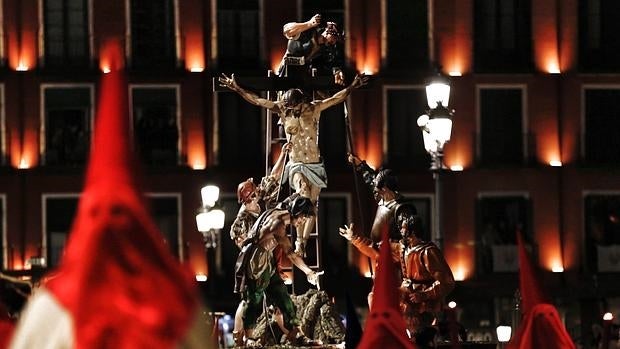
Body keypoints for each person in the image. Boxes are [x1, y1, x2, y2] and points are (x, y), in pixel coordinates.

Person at [219, 73, 369, 256]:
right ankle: (298, 242)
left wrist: (352, 86)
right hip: (296, 162)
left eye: (294, 106)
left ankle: (302, 242)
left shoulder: (313, 109)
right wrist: (238, 89)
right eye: (289, 106)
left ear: (301, 102)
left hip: (314, 162)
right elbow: (258, 101)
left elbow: (336, 98)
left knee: (312, 205)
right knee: (302, 193)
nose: (291, 109)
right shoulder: (283, 109)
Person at [339, 204, 455, 344]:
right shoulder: (402, 248)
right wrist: (355, 238)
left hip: (423, 300)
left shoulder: (428, 252)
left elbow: (447, 282)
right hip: (407, 292)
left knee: (408, 317)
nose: (400, 231)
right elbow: (377, 250)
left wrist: (425, 294)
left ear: (412, 232)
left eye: (403, 228)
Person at [234, 196, 323, 346]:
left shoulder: (279, 212)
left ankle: (297, 334)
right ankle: (248, 338)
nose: (303, 221)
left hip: (267, 260)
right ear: (297, 211)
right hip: (257, 262)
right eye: (303, 217)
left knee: (283, 296)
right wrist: (309, 272)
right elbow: (291, 254)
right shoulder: (278, 224)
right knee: (254, 300)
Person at [229, 143, 291, 346]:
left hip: (270, 261)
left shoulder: (261, 199)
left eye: (257, 193)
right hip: (254, 266)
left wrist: (283, 156)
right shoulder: (241, 221)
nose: (258, 196)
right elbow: (244, 247)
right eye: (254, 195)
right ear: (247, 199)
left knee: (279, 298)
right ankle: (242, 336)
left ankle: (291, 332)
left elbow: (272, 178)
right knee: (251, 302)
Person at [348, 153, 412, 242]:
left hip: (389, 253)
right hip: (376, 250)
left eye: (378, 188)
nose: (376, 190)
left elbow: (407, 237)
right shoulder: (382, 197)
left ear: (384, 188)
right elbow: (372, 179)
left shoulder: (401, 209)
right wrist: (360, 165)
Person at [278, 14, 345, 89]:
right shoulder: (307, 33)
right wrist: (309, 24)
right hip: (288, 71)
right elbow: (286, 30)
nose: (334, 42)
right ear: (327, 31)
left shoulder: (324, 48)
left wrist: (336, 71)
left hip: (305, 76)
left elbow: (327, 65)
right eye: (335, 37)